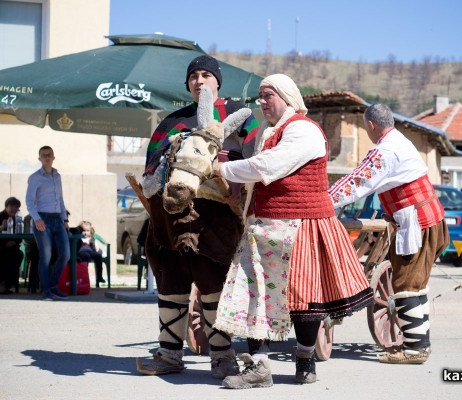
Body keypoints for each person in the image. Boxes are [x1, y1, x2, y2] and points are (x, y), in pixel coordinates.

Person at [213, 74, 374, 388]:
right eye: (260, 96)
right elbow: (257, 167)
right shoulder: (267, 131)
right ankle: (260, 368)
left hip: (302, 223)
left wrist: (219, 169)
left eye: (268, 95)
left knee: (304, 299)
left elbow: (266, 167)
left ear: (287, 96)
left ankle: (305, 358)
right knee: (252, 294)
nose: (262, 102)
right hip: (266, 223)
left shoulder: (303, 129)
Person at [136, 55, 260, 379]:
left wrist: (235, 180)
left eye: (206, 75)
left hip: (217, 214)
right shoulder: (172, 121)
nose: (200, 81)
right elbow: (151, 166)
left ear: (218, 82)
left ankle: (222, 357)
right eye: (194, 76)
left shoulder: (238, 115)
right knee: (171, 280)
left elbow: (257, 156)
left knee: (212, 282)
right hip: (170, 215)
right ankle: (168, 354)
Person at [329, 103, 449, 365]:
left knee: (406, 284)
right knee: (416, 285)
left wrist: (324, 200)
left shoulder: (385, 150)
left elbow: (357, 182)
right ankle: (419, 344)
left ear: (371, 126)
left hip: (417, 224)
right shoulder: (402, 141)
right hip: (430, 219)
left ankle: (416, 350)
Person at [25, 145, 70, 301]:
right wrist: (37, 219)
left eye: (49, 155)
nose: (47, 157)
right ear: (39, 158)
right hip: (42, 219)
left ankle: (53, 286)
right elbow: (29, 201)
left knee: (65, 254)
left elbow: (61, 200)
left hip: (58, 219)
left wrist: (65, 220)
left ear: (53, 157)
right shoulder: (35, 177)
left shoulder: (57, 176)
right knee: (46, 256)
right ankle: (46, 291)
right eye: (44, 155)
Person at [0, 197, 24, 294]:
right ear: (6, 207)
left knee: (19, 254)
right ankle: (1, 284)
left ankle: (8, 283)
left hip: (11, 247)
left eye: (16, 207)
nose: (14, 209)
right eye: (12, 206)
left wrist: (14, 242)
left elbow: (20, 236)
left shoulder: (17, 220)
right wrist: (0, 228)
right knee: (3, 255)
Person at [75, 221, 106, 286]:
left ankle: (99, 276)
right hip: (82, 252)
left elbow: (96, 248)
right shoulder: (79, 238)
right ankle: (84, 275)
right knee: (86, 256)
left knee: (98, 256)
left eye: (87, 231)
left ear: (91, 231)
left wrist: (101, 253)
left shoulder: (91, 239)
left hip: (91, 251)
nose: (85, 233)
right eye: (84, 230)